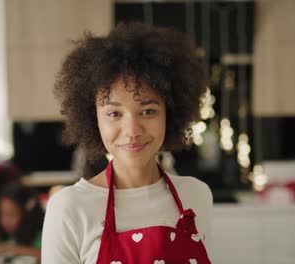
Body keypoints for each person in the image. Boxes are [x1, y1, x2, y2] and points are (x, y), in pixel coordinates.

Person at [42, 22, 214, 263]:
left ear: (170, 113)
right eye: (114, 114)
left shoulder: (196, 196)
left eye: (148, 111)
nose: (132, 131)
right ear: (94, 119)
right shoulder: (69, 208)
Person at [0, 183, 43, 261]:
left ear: (28, 214)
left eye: (12, 215)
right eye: (2, 214)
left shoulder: (40, 236)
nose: (5, 220)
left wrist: (9, 249)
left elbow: (43, 255)